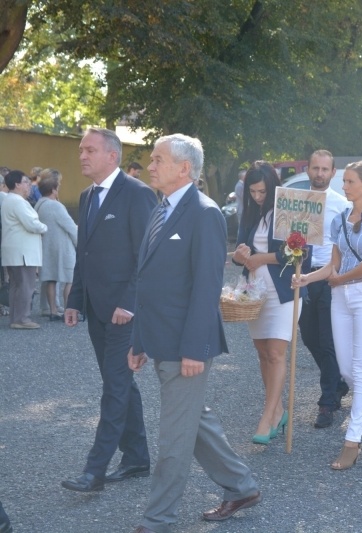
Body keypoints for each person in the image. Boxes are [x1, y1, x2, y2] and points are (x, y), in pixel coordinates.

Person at [129, 134, 260, 532]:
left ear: (184, 168)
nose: (150, 166)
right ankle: (242, 486)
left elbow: (206, 288)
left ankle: (158, 520)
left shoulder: (204, 213)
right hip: (160, 339)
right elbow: (146, 281)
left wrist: (193, 350)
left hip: (186, 347)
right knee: (192, 423)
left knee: (172, 439)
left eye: (158, 159)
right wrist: (138, 340)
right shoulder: (160, 209)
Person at [62, 127, 156, 493]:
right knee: (119, 383)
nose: (82, 155)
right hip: (97, 310)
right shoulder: (87, 196)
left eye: (89, 150)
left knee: (115, 386)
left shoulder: (138, 194)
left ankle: (94, 470)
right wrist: (74, 300)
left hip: (125, 312)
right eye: (81, 150)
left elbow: (146, 256)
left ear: (112, 156)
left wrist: (130, 303)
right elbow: (84, 252)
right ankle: (136, 457)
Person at [293, 161, 362, 470]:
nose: (344, 186)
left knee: (360, 369)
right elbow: (332, 267)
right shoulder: (337, 219)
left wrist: (339, 279)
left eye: (349, 181)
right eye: (344, 181)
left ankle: (352, 440)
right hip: (340, 295)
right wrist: (308, 278)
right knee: (347, 369)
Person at [231, 161, 309, 444]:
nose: (257, 196)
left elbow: (303, 255)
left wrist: (262, 258)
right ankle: (277, 409)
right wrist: (240, 255)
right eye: (252, 191)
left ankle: (268, 416)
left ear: (273, 187)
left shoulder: (288, 211)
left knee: (276, 354)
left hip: (284, 292)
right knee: (263, 353)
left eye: (262, 191)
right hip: (256, 292)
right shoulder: (251, 213)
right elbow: (240, 251)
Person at [298, 150, 350, 429]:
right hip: (302, 274)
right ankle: (338, 382)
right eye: (315, 168)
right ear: (308, 170)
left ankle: (327, 401)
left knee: (328, 340)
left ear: (332, 172)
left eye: (324, 169)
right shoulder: (296, 203)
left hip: (329, 276)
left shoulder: (342, 205)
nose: (319, 173)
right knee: (308, 336)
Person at [1, 170, 47, 329]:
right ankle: (22, 319)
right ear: (17, 184)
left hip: (14, 249)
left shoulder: (9, 200)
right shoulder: (19, 202)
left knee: (16, 285)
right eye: (26, 182)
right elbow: (32, 224)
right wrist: (44, 227)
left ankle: (16, 318)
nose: (29, 185)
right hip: (23, 251)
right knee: (26, 286)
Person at [34, 173, 77, 321]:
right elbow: (70, 226)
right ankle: (68, 310)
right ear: (53, 190)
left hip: (46, 246)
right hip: (62, 247)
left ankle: (52, 310)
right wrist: (80, 243)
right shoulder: (55, 205)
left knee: (51, 278)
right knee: (69, 279)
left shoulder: (39, 205)